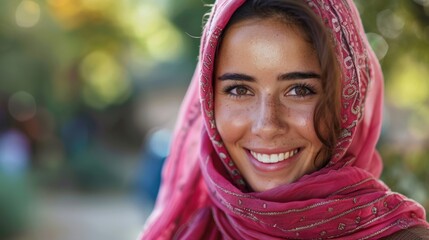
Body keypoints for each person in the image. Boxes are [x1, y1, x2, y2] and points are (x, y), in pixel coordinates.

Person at [139, 0, 429, 239]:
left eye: (299, 90)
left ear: (346, 102)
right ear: (210, 100)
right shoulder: (191, 232)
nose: (267, 124)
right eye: (240, 90)